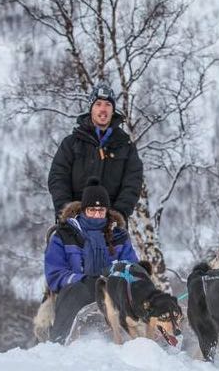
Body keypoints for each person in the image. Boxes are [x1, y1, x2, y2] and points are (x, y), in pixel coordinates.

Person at [39, 178, 139, 343]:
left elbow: (131, 268)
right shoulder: (65, 235)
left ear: (107, 211)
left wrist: (116, 279)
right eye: (92, 210)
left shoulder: (119, 236)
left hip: (111, 288)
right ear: (83, 210)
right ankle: (59, 342)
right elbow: (55, 273)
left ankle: (136, 342)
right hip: (77, 288)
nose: (97, 215)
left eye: (101, 210)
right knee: (76, 292)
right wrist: (83, 280)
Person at [48, 82, 143, 222]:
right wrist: (67, 212)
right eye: (98, 104)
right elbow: (58, 178)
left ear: (113, 110)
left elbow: (133, 183)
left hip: (111, 225)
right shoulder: (71, 143)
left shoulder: (126, 146)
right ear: (91, 109)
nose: (103, 109)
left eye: (108, 105)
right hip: (75, 223)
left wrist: (118, 215)